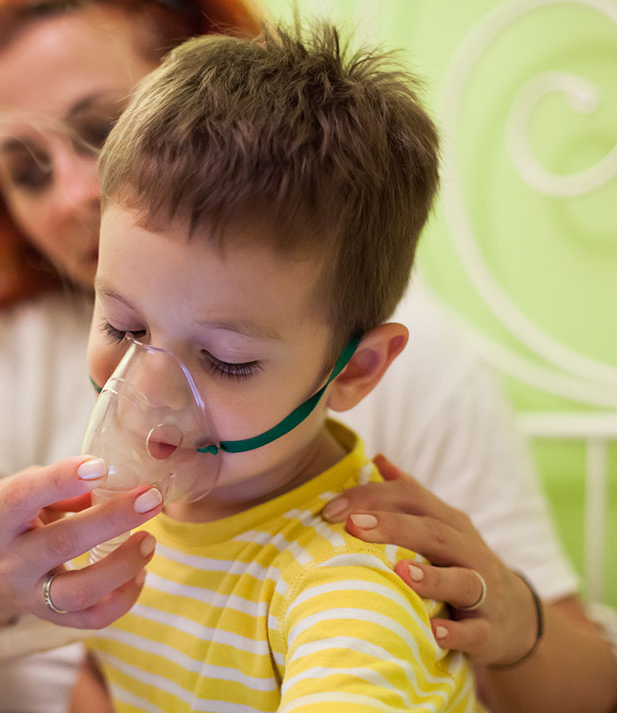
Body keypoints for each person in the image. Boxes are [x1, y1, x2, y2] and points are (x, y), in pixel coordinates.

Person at [0, 1, 617, 712]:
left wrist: (513, 613)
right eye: (25, 163)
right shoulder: (1, 329)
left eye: (96, 128)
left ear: (356, 372)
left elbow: (582, 674)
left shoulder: (349, 563)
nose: (72, 191)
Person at [74, 20, 484, 710]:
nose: (147, 395)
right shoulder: (128, 517)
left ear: (355, 370)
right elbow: (104, 680)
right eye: (123, 324)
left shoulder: (346, 592)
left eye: (224, 360)